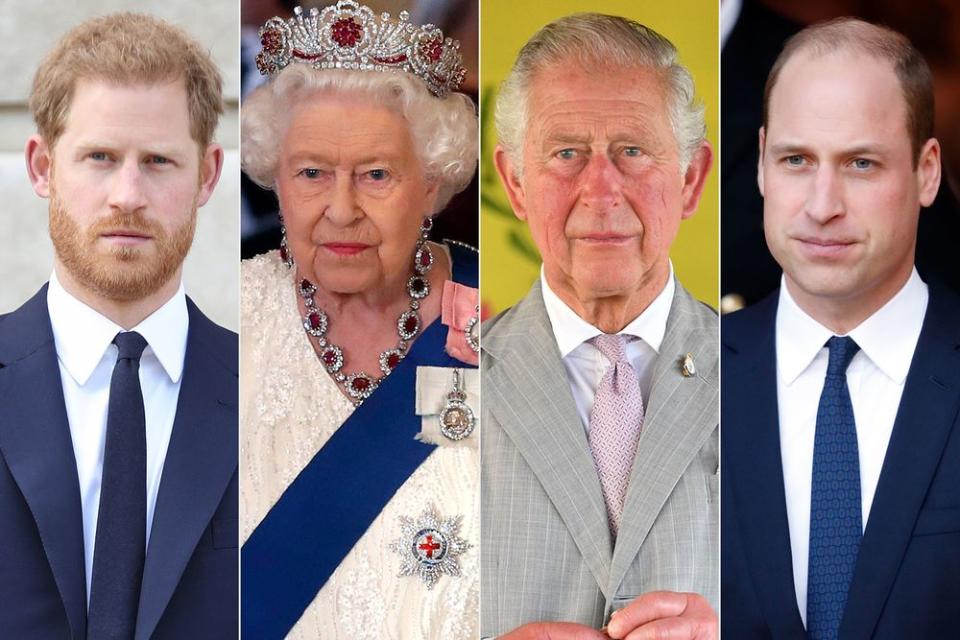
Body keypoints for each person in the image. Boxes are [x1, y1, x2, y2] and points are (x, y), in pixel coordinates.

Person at [238, 2, 479, 638]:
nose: (340, 211)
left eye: (375, 174)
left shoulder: (507, 314)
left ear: (430, 184)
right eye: (312, 173)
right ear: (277, 181)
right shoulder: (217, 322)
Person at [0, 13, 236, 639]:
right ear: (43, 167)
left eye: (158, 161)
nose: (127, 194)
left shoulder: (269, 384)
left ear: (208, 174)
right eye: (100, 157)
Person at [482, 13, 718, 640]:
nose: (601, 188)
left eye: (632, 151)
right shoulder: (440, 382)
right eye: (567, 154)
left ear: (691, 179)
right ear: (515, 184)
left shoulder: (766, 374)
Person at [722, 18, 960, 638]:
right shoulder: (669, 380)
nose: (822, 204)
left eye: (860, 163)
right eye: (796, 160)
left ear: (926, 171)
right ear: (762, 165)